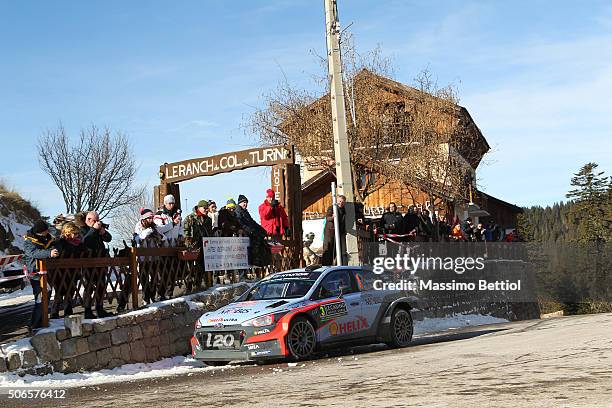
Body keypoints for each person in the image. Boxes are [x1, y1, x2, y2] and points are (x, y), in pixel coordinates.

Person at [23, 220, 59, 334]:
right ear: (39, 232)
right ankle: (33, 323)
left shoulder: (48, 238)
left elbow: (53, 245)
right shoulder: (29, 241)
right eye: (45, 231)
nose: (47, 232)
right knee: (40, 298)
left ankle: (41, 320)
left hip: (47, 272)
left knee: (46, 295)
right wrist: (49, 253)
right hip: (36, 273)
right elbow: (34, 253)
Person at [52, 222, 88, 319]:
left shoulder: (79, 243)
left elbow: (84, 251)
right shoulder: (60, 242)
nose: (77, 235)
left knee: (71, 291)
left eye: (77, 233)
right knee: (59, 292)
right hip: (60, 272)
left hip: (73, 271)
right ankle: (54, 313)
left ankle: (68, 311)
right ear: (68, 233)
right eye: (75, 233)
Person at [80, 211, 113, 318]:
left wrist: (103, 232)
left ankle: (100, 308)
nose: (97, 222)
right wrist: (94, 229)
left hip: (100, 262)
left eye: (98, 220)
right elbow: (86, 241)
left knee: (101, 286)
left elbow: (109, 238)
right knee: (88, 287)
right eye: (95, 220)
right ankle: (88, 311)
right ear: (88, 220)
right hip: (88, 263)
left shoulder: (98, 229)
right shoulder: (82, 230)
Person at [133, 208, 167, 304]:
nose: (151, 220)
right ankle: (146, 298)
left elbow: (163, 237)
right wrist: (144, 234)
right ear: (145, 218)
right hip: (143, 258)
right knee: (144, 278)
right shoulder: (139, 226)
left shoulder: (154, 227)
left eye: (152, 217)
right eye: (149, 218)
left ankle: (152, 296)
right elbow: (137, 238)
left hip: (154, 257)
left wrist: (158, 236)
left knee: (154, 277)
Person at [235, 194, 271, 267]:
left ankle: (261, 263)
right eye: (243, 202)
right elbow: (241, 223)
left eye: (246, 202)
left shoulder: (245, 212)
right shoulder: (238, 211)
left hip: (251, 232)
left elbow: (252, 222)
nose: (245, 204)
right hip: (246, 234)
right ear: (239, 203)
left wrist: (262, 231)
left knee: (262, 242)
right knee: (255, 245)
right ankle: (256, 262)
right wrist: (251, 231)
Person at [321, 195, 347, 266]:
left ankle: (333, 266)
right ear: (337, 201)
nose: (341, 203)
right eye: (340, 201)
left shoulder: (343, 210)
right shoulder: (332, 208)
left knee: (335, 250)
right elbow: (328, 218)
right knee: (327, 249)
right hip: (330, 232)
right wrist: (333, 217)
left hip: (338, 233)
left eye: (343, 202)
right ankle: (325, 266)